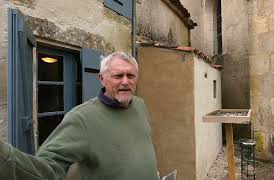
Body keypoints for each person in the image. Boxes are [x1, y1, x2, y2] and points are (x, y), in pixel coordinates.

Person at [0, 52, 158, 180]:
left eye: (131, 76)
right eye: (118, 76)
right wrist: (5, 157)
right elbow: (48, 169)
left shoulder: (139, 105)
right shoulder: (82, 118)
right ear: (102, 79)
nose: (125, 82)